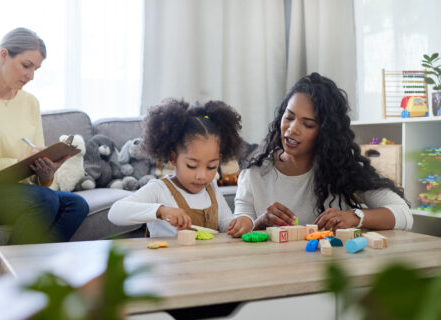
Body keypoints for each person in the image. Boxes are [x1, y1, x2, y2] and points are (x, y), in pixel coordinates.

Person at [0, 28, 89, 244]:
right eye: (26, 65)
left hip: (14, 189)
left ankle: (35, 270)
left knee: (77, 205)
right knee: (45, 200)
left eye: (36, 69)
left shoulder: (30, 103)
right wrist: (18, 162)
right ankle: (13, 271)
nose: (31, 76)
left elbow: (35, 175)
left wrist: (46, 173)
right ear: (3, 55)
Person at [229, 72, 413, 236]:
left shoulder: (341, 169)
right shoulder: (254, 172)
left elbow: (404, 214)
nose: (292, 129)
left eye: (308, 124)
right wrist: (261, 222)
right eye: (289, 117)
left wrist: (354, 217)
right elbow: (239, 229)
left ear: (325, 132)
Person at [108, 99, 247, 237]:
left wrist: (240, 224)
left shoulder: (212, 189)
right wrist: (161, 211)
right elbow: (115, 212)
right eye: (191, 166)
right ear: (173, 158)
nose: (202, 176)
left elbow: (226, 225)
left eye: (211, 166)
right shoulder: (159, 189)